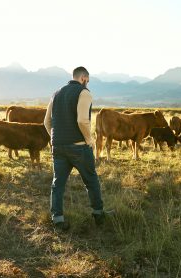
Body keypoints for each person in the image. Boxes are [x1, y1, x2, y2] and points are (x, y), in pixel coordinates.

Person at [44, 66, 110, 231]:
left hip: (58, 147)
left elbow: (46, 122)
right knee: (91, 181)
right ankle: (98, 214)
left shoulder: (56, 94)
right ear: (84, 78)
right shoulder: (84, 92)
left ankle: (57, 219)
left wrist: (55, 139)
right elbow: (82, 120)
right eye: (87, 81)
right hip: (79, 147)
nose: (87, 84)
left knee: (57, 184)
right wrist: (89, 140)